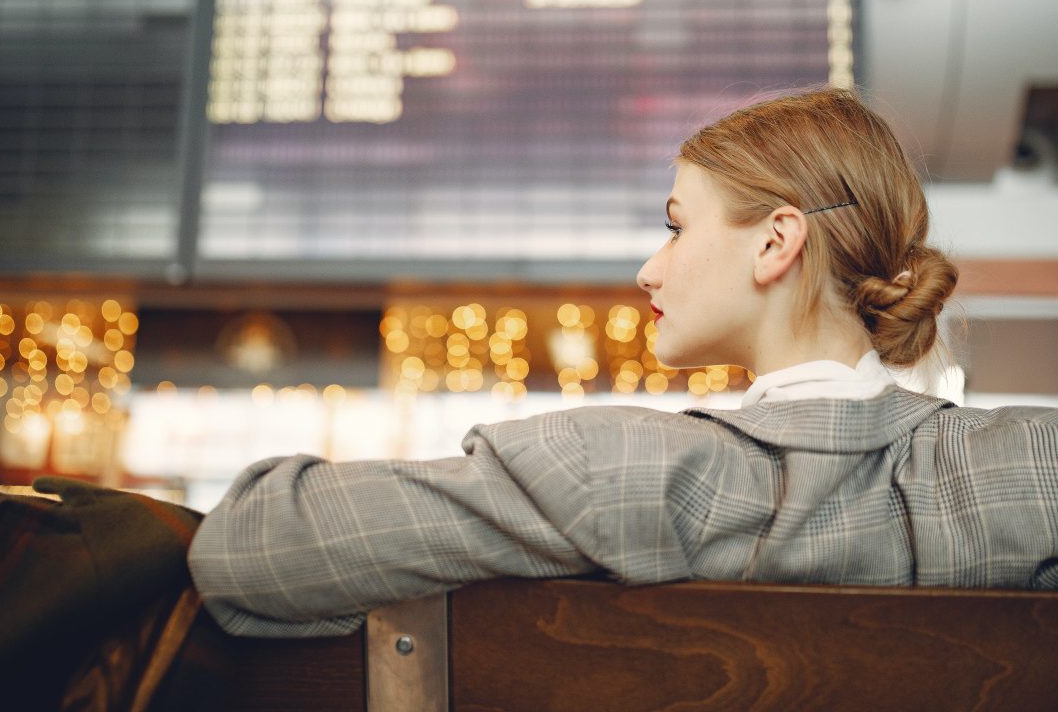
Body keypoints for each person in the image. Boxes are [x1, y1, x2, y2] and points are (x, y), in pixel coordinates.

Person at [187, 86, 1058, 639]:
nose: (651, 267)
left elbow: (249, 548)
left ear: (776, 242)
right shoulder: (1034, 471)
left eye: (678, 224)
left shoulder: (606, 471)